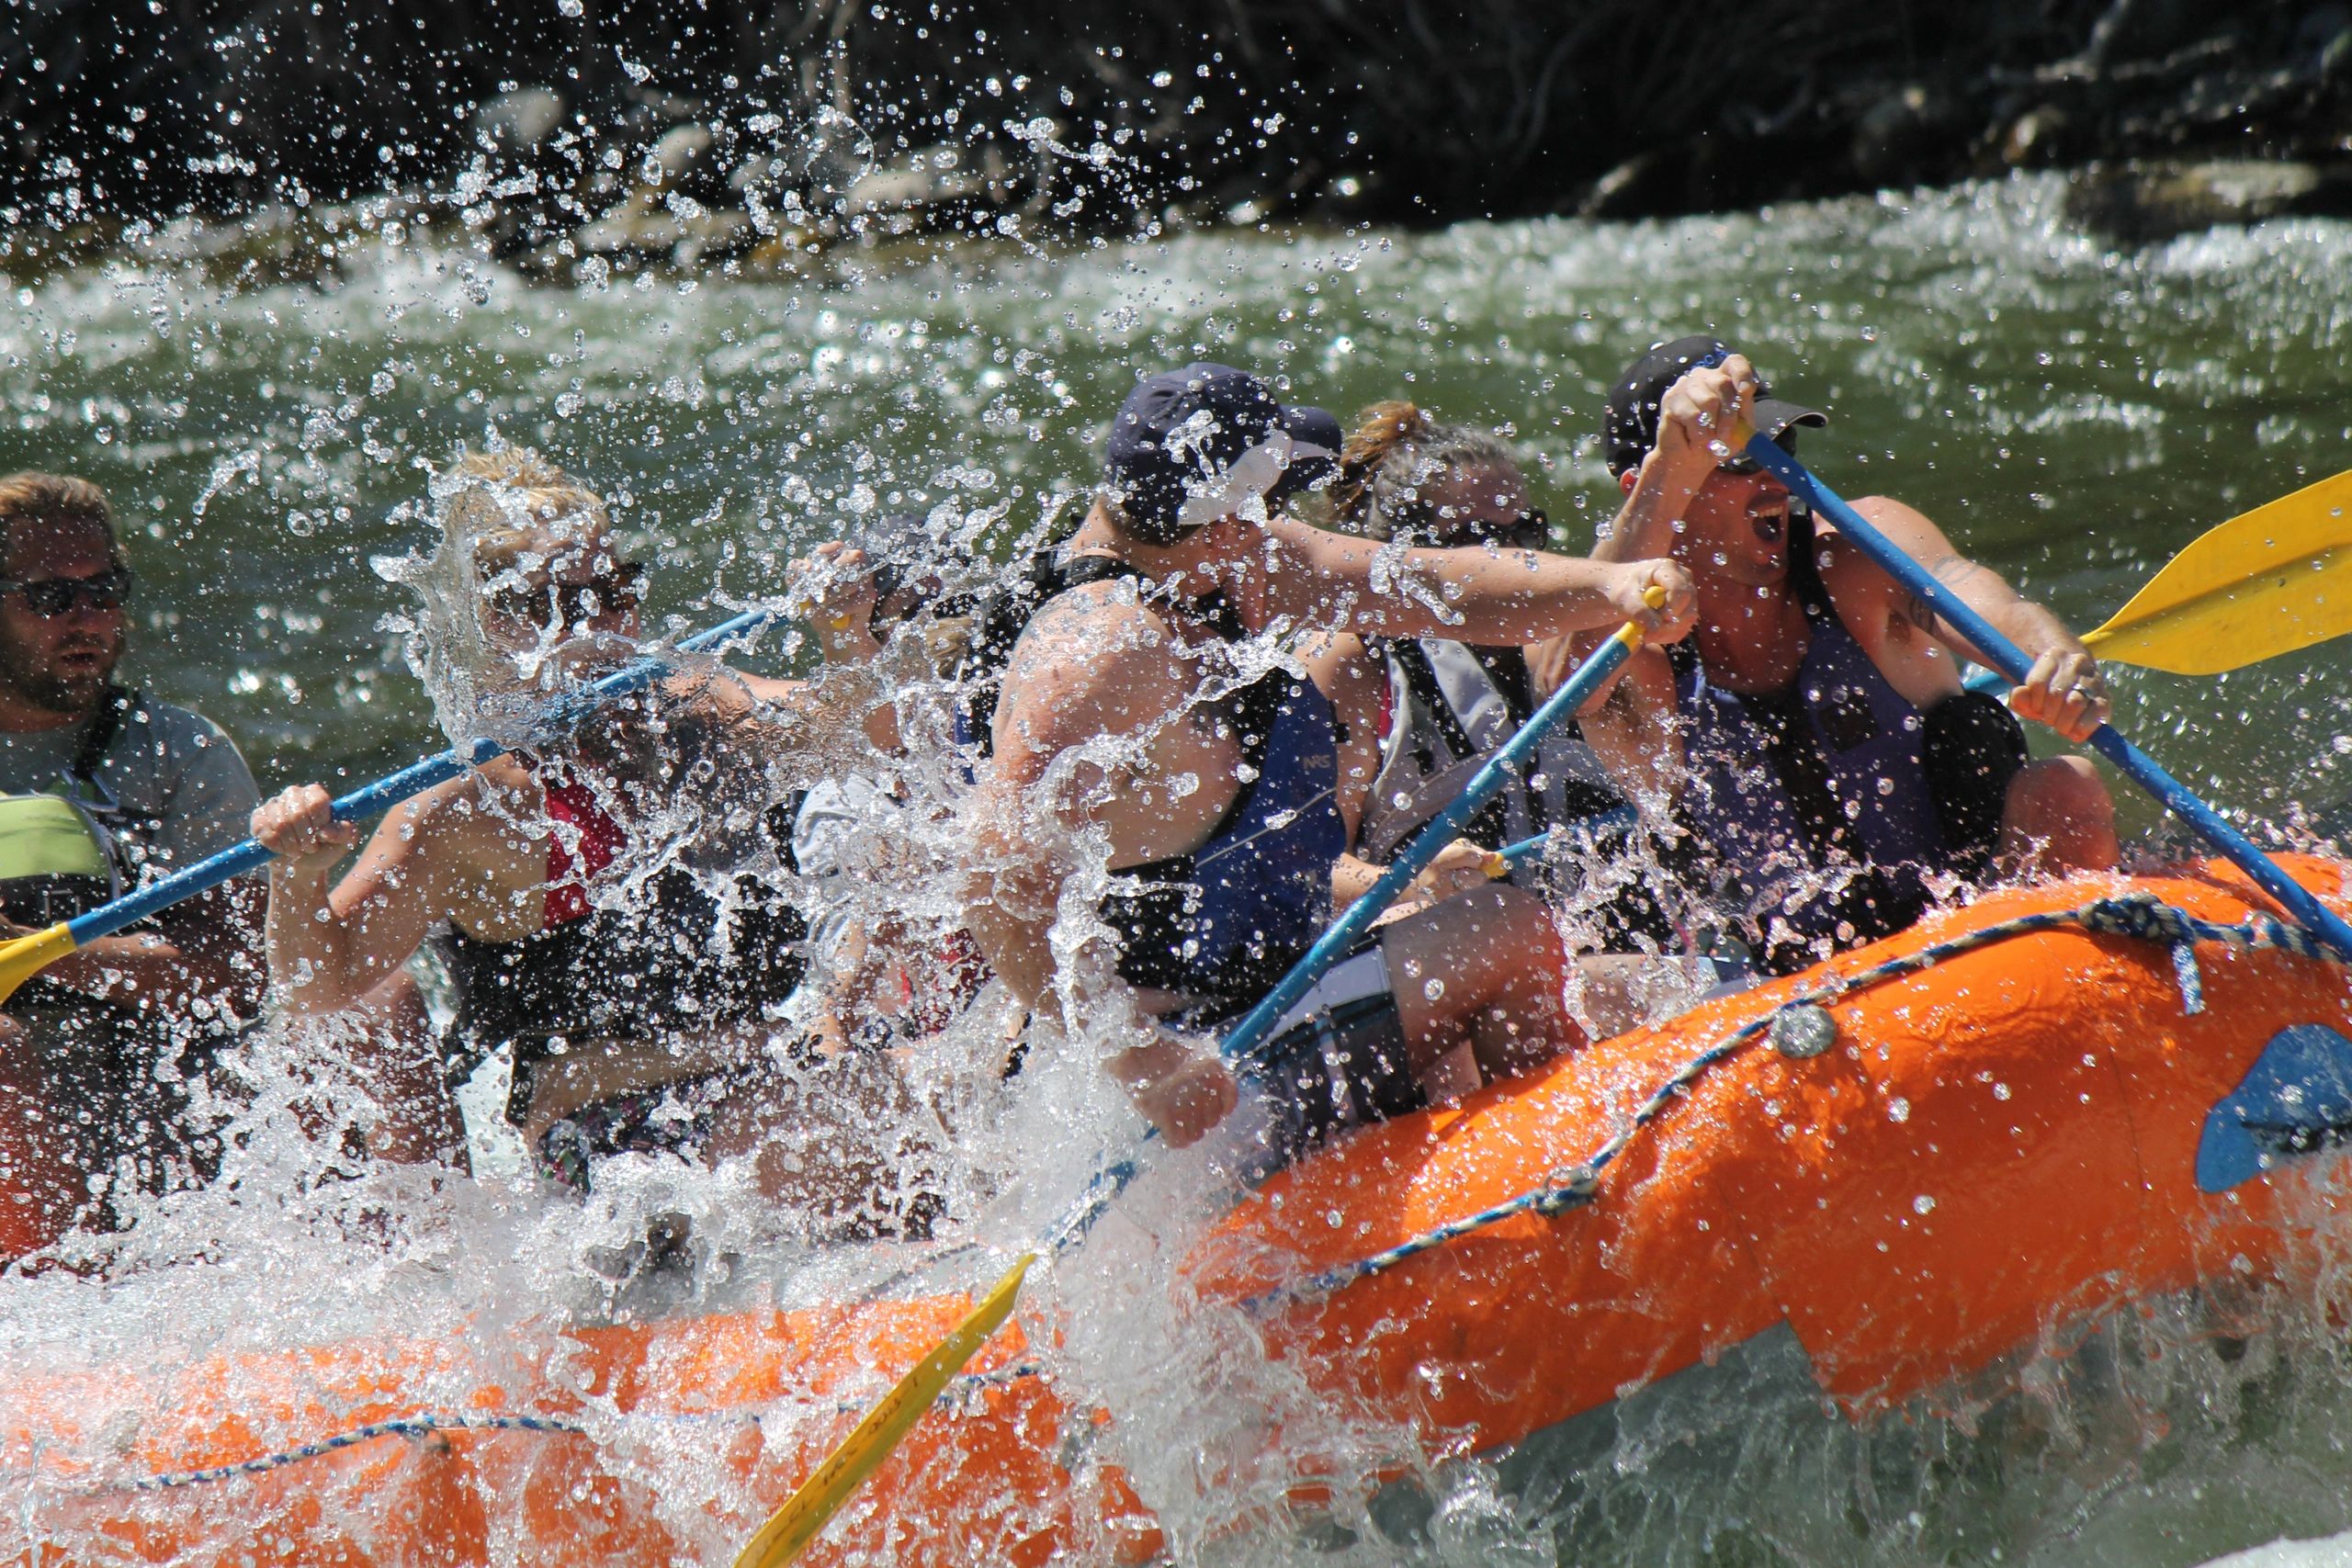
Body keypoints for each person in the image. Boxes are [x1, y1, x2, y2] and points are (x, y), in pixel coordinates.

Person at [965, 363, 1699, 1171]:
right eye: (1270, 501)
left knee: (1505, 931)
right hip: (1186, 1075)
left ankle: (1525, 1180)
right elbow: (989, 873)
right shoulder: (1103, 651)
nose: (1279, 522)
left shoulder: (1228, 564)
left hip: (1266, 996)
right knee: (1509, 932)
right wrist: (1142, 1064)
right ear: (1219, 521)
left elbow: (1432, 584)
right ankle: (1559, 1190)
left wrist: (1610, 586)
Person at [249, 449, 932, 1232]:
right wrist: (299, 872)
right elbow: (320, 984)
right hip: (613, 1147)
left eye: (619, 591)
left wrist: (846, 636)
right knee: (846, 1136)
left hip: (779, 1077)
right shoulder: (474, 808)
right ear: (502, 624)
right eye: (572, 605)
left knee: (941, 1087)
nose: (611, 625)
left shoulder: (697, 711)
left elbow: (868, 737)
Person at [1583, 335, 2119, 975]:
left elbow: (1988, 605)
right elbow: (1566, 666)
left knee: (2068, 787)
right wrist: (1670, 467)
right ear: (1650, 487)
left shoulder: (1859, 553)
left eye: (1778, 446)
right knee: (1590, 981)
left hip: (1982, 931)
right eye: (1733, 458)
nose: (1771, 477)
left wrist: (2054, 656)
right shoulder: (1629, 652)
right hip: (1788, 998)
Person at [0, 473, 265, 1248]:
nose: (87, 618)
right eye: (51, 598)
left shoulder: (183, 754)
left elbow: (241, 976)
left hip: (156, 1070)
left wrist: (44, 957)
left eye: (105, 590)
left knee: (376, 1000)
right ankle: (49, 1313)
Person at [1320, 402, 1668, 942]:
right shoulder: (1354, 666)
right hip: (1462, 968)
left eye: (1527, 533)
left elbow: (1672, 798)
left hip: (1635, 972)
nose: (1516, 560)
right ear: (1409, 557)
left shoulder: (1596, 650)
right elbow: (1308, 869)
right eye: (1482, 538)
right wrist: (1409, 883)